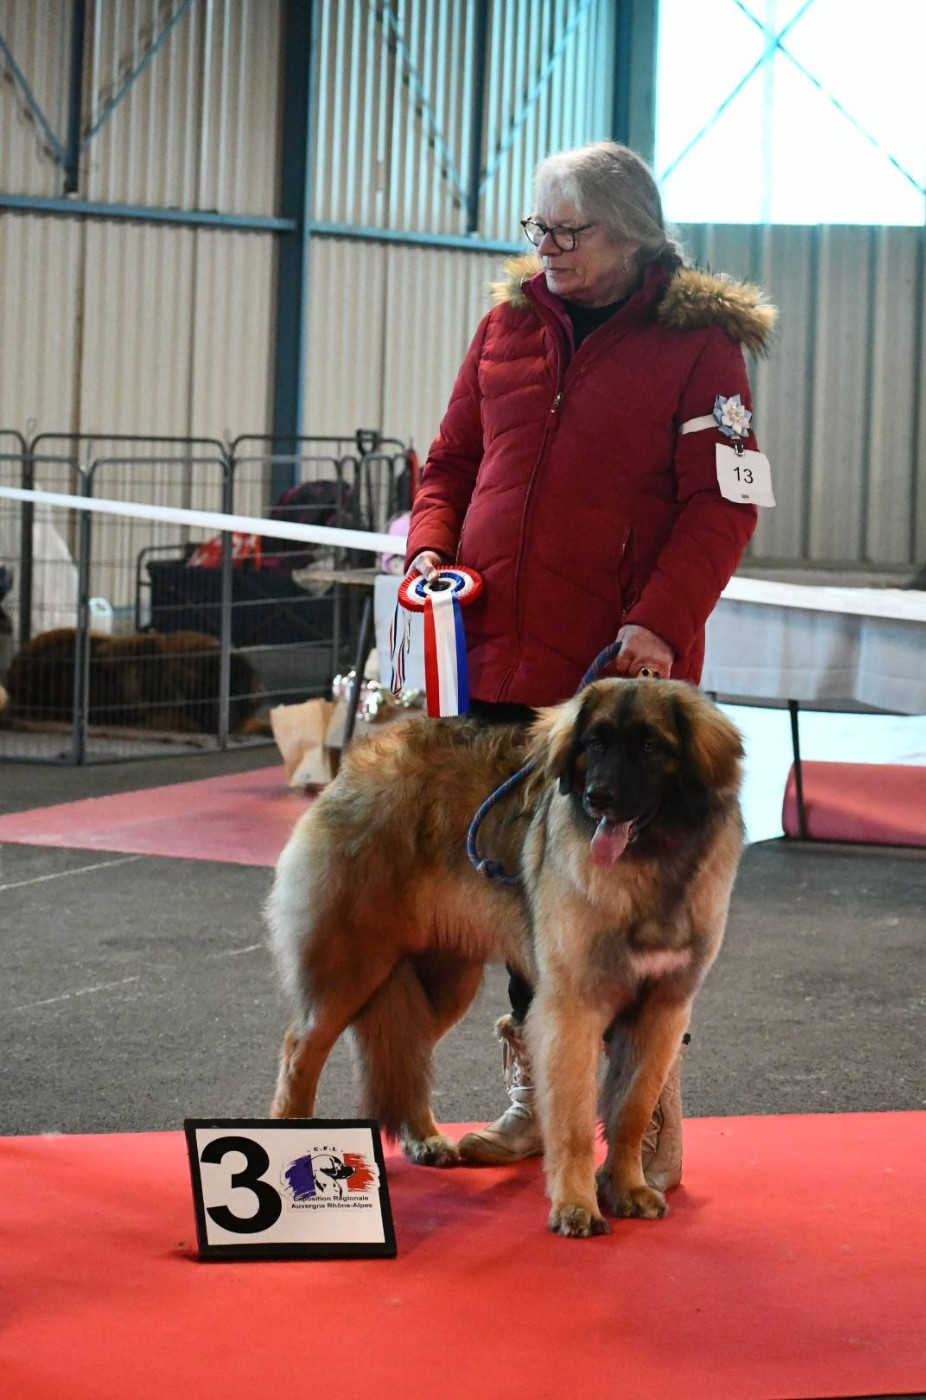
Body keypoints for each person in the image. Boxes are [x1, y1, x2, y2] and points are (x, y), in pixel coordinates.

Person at [403, 140, 776, 1186]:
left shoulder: (698, 345)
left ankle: (644, 1115)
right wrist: (430, 548)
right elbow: (450, 463)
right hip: (494, 661)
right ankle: (538, 1096)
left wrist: (658, 619)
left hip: (619, 685)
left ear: (632, 234)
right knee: (527, 904)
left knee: (641, 909)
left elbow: (723, 500)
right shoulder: (506, 324)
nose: (547, 250)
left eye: (570, 233)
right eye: (538, 229)